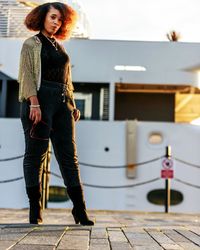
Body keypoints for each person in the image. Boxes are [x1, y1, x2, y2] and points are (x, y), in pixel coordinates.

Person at [18, 2, 94, 226]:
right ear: (42, 17)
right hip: (39, 102)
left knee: (69, 158)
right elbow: (27, 74)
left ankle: (80, 211)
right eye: (52, 17)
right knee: (35, 157)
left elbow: (66, 78)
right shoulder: (31, 44)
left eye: (60, 19)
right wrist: (33, 103)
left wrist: (72, 104)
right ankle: (35, 210)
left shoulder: (60, 47)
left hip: (62, 105)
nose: (56, 22)